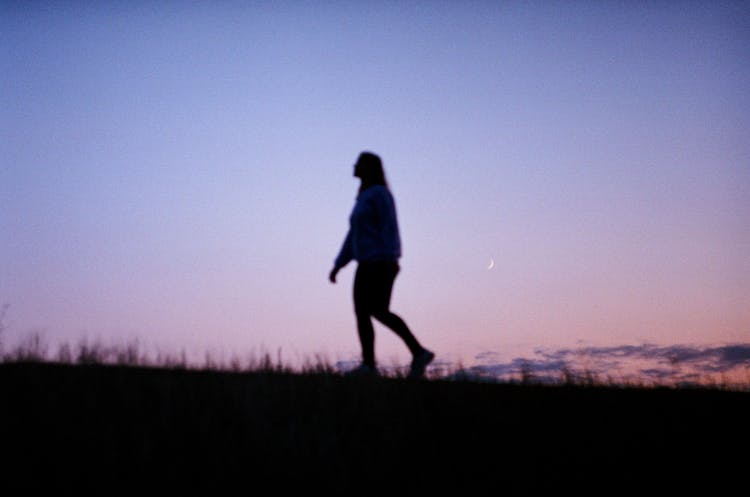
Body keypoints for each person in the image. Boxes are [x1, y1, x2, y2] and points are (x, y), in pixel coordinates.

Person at [329, 151, 434, 378]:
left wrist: (390, 259)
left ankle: (380, 363)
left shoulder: (379, 194)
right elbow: (353, 236)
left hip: (379, 263)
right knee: (367, 312)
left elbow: (390, 227)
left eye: (359, 162)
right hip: (366, 263)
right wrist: (339, 265)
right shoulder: (364, 196)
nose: (354, 165)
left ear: (368, 168)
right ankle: (406, 355)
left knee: (373, 311)